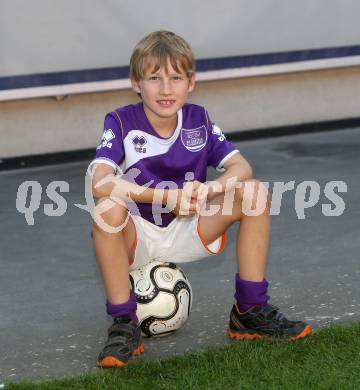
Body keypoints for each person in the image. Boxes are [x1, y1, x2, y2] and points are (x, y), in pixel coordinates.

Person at [87, 30, 312, 368]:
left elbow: (241, 166)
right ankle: (124, 324)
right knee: (107, 208)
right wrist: (164, 196)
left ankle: (249, 311)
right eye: (154, 78)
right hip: (137, 236)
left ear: (191, 82)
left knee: (253, 193)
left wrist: (210, 190)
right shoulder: (120, 121)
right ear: (136, 82)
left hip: (188, 224)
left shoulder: (199, 120)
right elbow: (100, 182)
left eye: (176, 78)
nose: (166, 89)